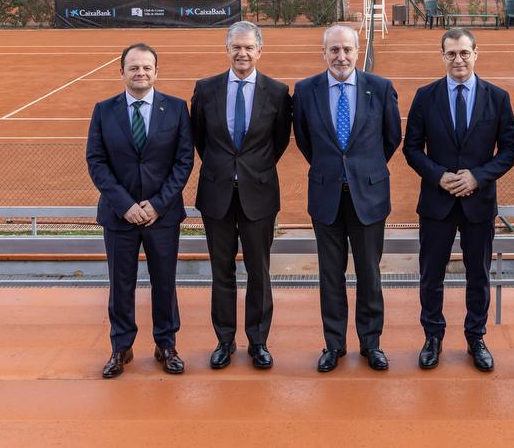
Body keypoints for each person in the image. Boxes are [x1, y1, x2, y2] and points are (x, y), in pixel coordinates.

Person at [402, 28, 514, 372]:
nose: (458, 60)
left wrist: (477, 177)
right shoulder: (425, 96)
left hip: (478, 202)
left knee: (478, 275)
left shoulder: (497, 97)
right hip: (437, 203)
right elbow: (411, 147)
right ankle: (433, 337)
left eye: (464, 53)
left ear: (475, 54)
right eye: (451, 54)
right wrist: (438, 174)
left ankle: (475, 337)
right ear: (442, 56)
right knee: (431, 275)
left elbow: (510, 149)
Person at [292, 24, 402, 373]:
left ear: (358, 51)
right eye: (333, 50)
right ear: (323, 53)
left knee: (370, 274)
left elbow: (391, 138)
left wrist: (361, 171)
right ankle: (334, 345)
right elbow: (304, 140)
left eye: (347, 50)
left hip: (368, 195)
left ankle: (371, 344)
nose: (341, 57)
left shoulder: (380, 88)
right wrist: (333, 171)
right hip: (326, 195)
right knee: (330, 275)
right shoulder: (306, 90)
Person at [86, 43, 194, 378]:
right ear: (121, 72)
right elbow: (96, 161)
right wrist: (126, 205)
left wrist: (158, 204)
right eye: (134, 67)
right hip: (120, 216)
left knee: (165, 282)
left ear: (156, 72)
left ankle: (166, 344)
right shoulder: (103, 110)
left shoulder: (176, 109)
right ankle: (121, 347)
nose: (140, 73)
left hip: (163, 216)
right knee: (121, 284)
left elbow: (184, 160)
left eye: (147, 67)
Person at [191, 22, 292, 370]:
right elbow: (200, 139)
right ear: (227, 49)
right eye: (236, 47)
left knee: (258, 272)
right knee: (222, 272)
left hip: (259, 195)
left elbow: (277, 143)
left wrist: (251, 171)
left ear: (260, 51)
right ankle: (224, 340)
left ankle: (258, 341)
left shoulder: (278, 92)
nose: (242, 53)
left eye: (248, 47)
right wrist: (225, 169)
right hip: (216, 193)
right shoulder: (205, 90)